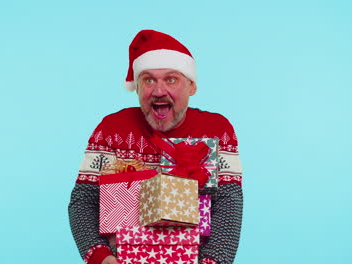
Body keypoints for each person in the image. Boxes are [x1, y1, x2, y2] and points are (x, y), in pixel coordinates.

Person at [69, 29, 243, 264]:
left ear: (192, 86)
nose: (159, 91)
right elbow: (84, 201)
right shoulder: (111, 129)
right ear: (138, 87)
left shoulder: (216, 130)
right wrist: (102, 259)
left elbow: (228, 205)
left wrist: (213, 261)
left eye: (171, 79)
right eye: (148, 79)